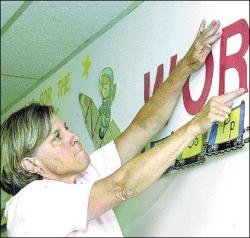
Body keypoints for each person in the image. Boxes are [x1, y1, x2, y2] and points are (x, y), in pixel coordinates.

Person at [0, 19, 246, 237]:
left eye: (65, 128)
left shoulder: (84, 177)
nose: (73, 137)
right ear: (30, 164)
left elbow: (143, 126)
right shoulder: (29, 205)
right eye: (56, 137)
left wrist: (186, 66)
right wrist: (195, 126)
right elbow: (122, 187)